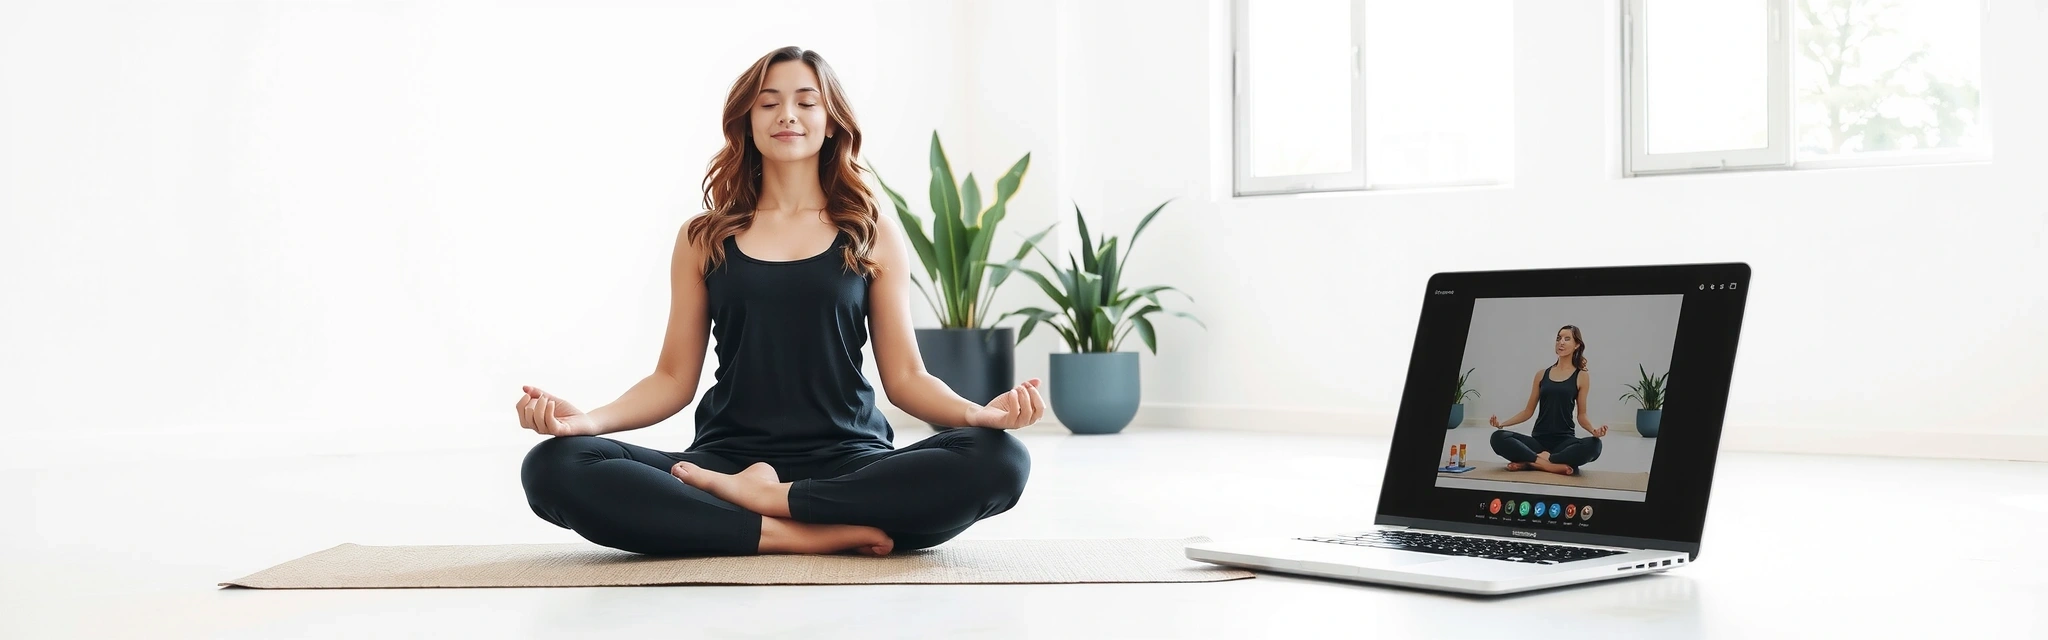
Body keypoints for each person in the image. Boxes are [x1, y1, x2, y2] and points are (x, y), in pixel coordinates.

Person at [516, 46, 1047, 557]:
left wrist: (978, 415)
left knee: (999, 460)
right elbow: (672, 379)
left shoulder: (869, 231)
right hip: (724, 467)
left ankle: (769, 509)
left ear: (832, 120)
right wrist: (585, 423)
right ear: (746, 121)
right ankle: (802, 533)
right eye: (768, 103)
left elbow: (906, 378)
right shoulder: (704, 237)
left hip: (850, 463)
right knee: (554, 466)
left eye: (805, 101)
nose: (786, 115)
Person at [1487, 325, 1608, 476]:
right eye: (1558, 338)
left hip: (1564, 443)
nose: (1561, 342)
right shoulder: (1541, 374)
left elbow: (1582, 415)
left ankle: (1531, 462)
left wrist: (1593, 431)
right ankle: (1550, 466)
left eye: (1567, 338)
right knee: (1498, 437)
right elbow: (1527, 411)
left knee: (1595, 446)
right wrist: (1502, 424)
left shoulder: (1581, 376)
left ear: (1577, 345)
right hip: (1538, 442)